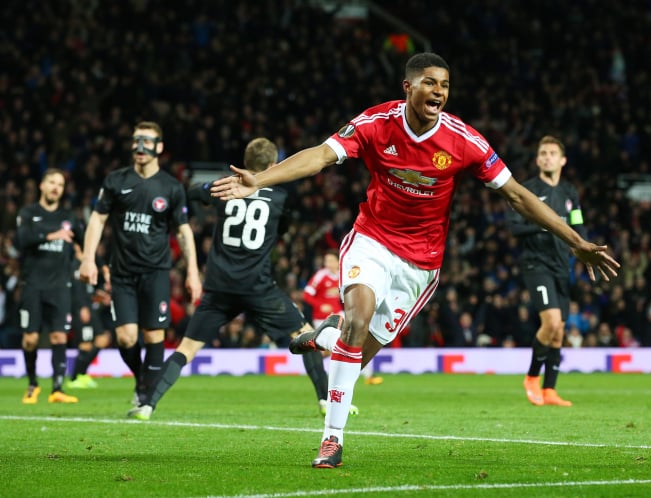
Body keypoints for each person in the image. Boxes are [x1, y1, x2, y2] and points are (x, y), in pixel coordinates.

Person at [210, 53, 620, 468]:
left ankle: (329, 339)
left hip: (421, 264)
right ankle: (331, 441)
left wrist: (575, 240)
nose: (439, 91)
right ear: (408, 87)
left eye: (444, 84)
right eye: (429, 82)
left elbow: (516, 194)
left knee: (357, 351)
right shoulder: (375, 123)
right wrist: (258, 179)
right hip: (372, 239)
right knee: (358, 314)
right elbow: (319, 155)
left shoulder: (464, 141)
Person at [127, 138, 356, 420]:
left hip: (219, 286)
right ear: (273, 165)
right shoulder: (280, 198)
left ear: (246, 163)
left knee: (186, 348)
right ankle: (325, 400)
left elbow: (191, 194)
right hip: (257, 286)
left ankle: (147, 404)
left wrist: (192, 209)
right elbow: (282, 230)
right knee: (305, 335)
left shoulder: (226, 186)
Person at [79, 121, 202, 405]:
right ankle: (142, 380)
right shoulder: (116, 181)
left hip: (156, 271)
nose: (140, 146)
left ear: (159, 147)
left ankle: (146, 398)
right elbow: (97, 219)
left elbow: (183, 232)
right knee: (125, 337)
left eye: (146, 140)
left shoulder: (171, 187)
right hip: (121, 272)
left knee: (154, 333)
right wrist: (88, 258)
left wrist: (192, 273)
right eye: (136, 140)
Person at [508, 135, 586, 407]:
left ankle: (550, 389)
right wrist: (547, 224)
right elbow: (514, 227)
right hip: (536, 264)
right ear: (537, 159)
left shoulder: (570, 193)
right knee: (551, 321)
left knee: (560, 329)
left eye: (552, 153)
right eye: (543, 153)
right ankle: (531, 378)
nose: (547, 157)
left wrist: (585, 249)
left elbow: (578, 224)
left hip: (561, 264)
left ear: (562, 160)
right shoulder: (526, 190)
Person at [15, 168, 85, 404]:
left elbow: (84, 244)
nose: (56, 187)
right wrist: (51, 235)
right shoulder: (28, 213)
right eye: (52, 183)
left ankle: (57, 388)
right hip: (33, 284)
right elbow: (22, 240)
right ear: (41, 186)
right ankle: (33, 384)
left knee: (59, 336)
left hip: (59, 286)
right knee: (30, 339)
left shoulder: (70, 217)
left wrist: (94, 264)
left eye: (60, 184)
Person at [304, 250, 383, 386]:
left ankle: (368, 375)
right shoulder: (320, 275)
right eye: (326, 261)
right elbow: (307, 294)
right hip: (321, 317)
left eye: (330, 261)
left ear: (337, 261)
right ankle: (315, 366)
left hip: (339, 314)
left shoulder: (344, 274)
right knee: (331, 347)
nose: (327, 264)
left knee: (351, 339)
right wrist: (321, 304)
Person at [67, 251, 113, 389]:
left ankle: (81, 374)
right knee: (85, 344)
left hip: (89, 308)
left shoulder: (87, 264)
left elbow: (86, 290)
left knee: (102, 339)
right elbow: (74, 291)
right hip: (82, 310)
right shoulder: (75, 265)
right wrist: (81, 307)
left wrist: (98, 295)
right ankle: (75, 378)